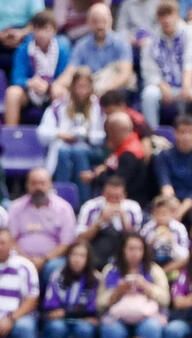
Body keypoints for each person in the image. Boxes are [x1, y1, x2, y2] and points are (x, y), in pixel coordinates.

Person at [38, 66, 105, 205]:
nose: (82, 91)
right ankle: (61, 201)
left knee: (79, 150)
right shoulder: (59, 105)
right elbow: (42, 132)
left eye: (85, 87)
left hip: (93, 150)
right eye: (79, 86)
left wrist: (87, 136)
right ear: (72, 86)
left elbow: (105, 135)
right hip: (65, 147)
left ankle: (83, 202)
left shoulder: (99, 106)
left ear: (91, 87)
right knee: (63, 151)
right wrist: (60, 134)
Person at [97, 232, 170, 338]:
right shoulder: (110, 270)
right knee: (111, 330)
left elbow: (166, 300)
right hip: (116, 316)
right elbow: (100, 303)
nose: (135, 253)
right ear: (123, 250)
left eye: (139, 249)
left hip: (148, 315)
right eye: (131, 248)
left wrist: (147, 287)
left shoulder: (154, 269)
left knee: (151, 328)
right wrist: (118, 291)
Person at [8, 168, 77, 284]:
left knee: (54, 268)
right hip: (21, 257)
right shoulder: (16, 207)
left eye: (42, 183)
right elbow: (10, 240)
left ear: (50, 185)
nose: (38, 187)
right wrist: (27, 259)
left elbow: (66, 243)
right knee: (12, 265)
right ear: (27, 185)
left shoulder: (64, 208)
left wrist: (44, 259)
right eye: (34, 183)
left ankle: (49, 302)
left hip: (53, 259)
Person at [51, 3, 133, 100]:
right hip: (89, 93)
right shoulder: (81, 45)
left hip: (112, 94)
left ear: (111, 21)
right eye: (95, 21)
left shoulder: (121, 43)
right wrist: (57, 85)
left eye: (104, 21)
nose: (100, 25)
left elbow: (125, 74)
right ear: (88, 23)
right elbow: (70, 72)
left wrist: (104, 90)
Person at [5, 11, 68, 126]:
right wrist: (30, 82)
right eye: (39, 29)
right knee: (12, 93)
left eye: (47, 29)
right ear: (33, 30)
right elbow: (16, 78)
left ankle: (59, 132)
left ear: (54, 31)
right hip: (30, 91)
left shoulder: (63, 48)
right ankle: (11, 134)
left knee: (60, 92)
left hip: (53, 88)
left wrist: (51, 86)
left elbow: (66, 74)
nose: (42, 34)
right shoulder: (23, 49)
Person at [140, 1, 192, 130]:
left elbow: (189, 60)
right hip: (165, 87)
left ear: (177, 15)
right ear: (158, 18)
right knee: (149, 94)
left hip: (188, 84)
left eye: (169, 14)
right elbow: (149, 71)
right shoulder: (151, 42)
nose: (166, 20)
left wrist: (186, 86)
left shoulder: (189, 34)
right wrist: (162, 86)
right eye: (162, 16)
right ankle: (152, 134)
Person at [40, 240, 100, 338]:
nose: (77, 259)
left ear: (88, 259)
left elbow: (92, 311)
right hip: (61, 321)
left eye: (82, 256)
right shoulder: (57, 275)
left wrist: (65, 313)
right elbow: (51, 309)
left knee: (85, 330)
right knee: (57, 328)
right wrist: (78, 314)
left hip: (82, 322)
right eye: (74, 254)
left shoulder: (95, 279)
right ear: (68, 256)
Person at [77, 176, 143, 270]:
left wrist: (124, 220)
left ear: (124, 195)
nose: (113, 200)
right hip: (96, 248)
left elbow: (136, 241)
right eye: (109, 197)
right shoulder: (90, 206)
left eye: (117, 197)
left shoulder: (133, 207)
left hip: (123, 247)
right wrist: (100, 222)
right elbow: (81, 239)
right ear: (103, 194)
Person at [84, 111, 149, 200]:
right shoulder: (126, 144)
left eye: (108, 132)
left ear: (114, 132)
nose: (108, 136)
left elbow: (117, 183)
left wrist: (96, 177)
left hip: (129, 200)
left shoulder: (129, 154)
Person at [0, 0, 42, 73]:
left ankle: (24, 79)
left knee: (33, 40)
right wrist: (0, 35)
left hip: (24, 31)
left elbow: (39, 20)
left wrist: (21, 33)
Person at [142, 195, 190, 280]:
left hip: (171, 262)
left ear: (171, 214)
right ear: (153, 213)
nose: (161, 217)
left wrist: (172, 243)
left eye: (164, 213)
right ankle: (155, 275)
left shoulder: (179, 228)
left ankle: (161, 274)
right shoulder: (147, 228)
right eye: (157, 213)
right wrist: (152, 241)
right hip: (153, 262)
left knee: (186, 258)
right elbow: (142, 252)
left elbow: (184, 255)